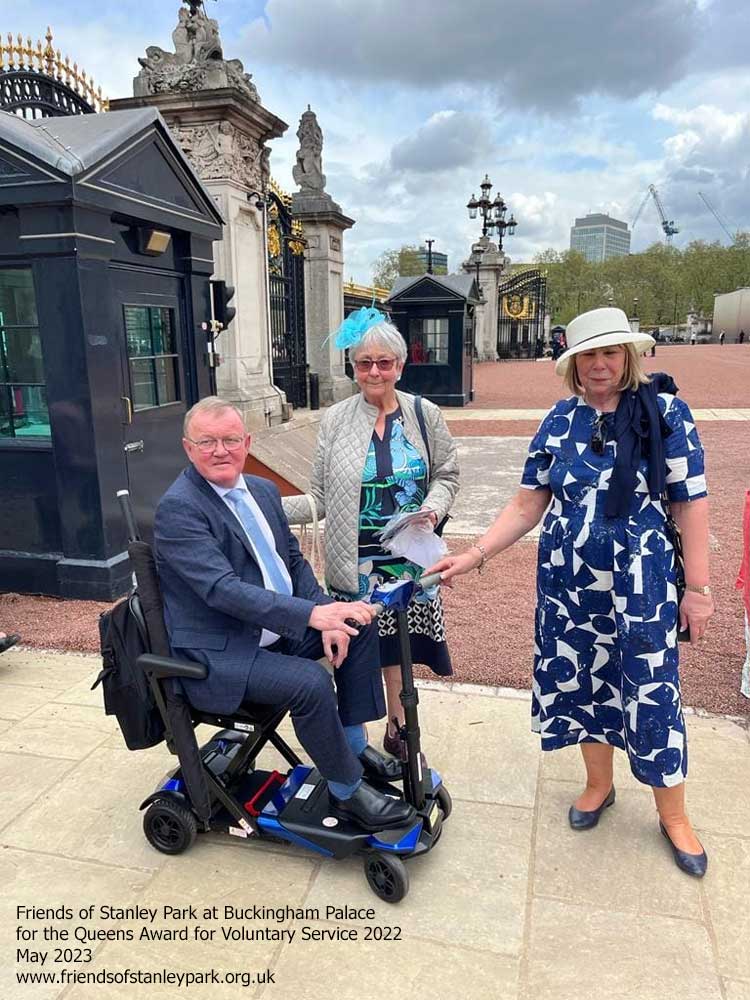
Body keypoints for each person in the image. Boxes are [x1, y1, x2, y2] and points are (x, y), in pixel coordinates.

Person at [427, 307, 714, 877]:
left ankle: (673, 815)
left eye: (610, 353)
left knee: (652, 690)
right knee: (583, 681)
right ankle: (598, 785)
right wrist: (476, 551)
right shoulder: (559, 420)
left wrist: (699, 589)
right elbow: (529, 501)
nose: (600, 364)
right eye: (589, 354)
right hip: (567, 583)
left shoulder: (665, 413)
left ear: (628, 356)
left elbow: (689, 502)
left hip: (642, 581)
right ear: (573, 364)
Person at [153, 396, 416, 832]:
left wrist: (325, 611)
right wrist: (309, 618)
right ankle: (347, 791)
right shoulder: (180, 508)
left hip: (272, 629)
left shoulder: (262, 490)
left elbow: (293, 562)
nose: (221, 450)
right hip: (219, 651)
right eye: (207, 442)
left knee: (358, 626)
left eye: (231, 439)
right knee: (310, 682)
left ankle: (350, 747)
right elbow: (222, 590)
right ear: (188, 448)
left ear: (247, 441)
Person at [283, 309, 459, 756]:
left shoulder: (424, 414)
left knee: (400, 647)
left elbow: (447, 475)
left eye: (384, 362)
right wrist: (265, 507)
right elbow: (319, 497)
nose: (375, 371)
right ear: (354, 367)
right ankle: (354, 741)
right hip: (353, 558)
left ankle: (401, 729)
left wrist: (432, 510)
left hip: (409, 557)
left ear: (400, 366)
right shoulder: (336, 419)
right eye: (365, 362)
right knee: (354, 652)